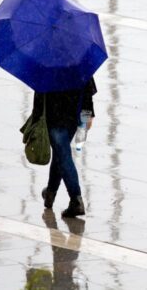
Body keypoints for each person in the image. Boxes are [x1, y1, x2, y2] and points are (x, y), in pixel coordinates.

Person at [30, 78, 97, 218]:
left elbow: (39, 95)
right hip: (73, 116)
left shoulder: (46, 61)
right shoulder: (78, 59)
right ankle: (50, 193)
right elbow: (87, 90)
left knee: (63, 155)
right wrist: (87, 116)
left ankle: (76, 199)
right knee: (61, 153)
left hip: (54, 117)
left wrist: (36, 120)